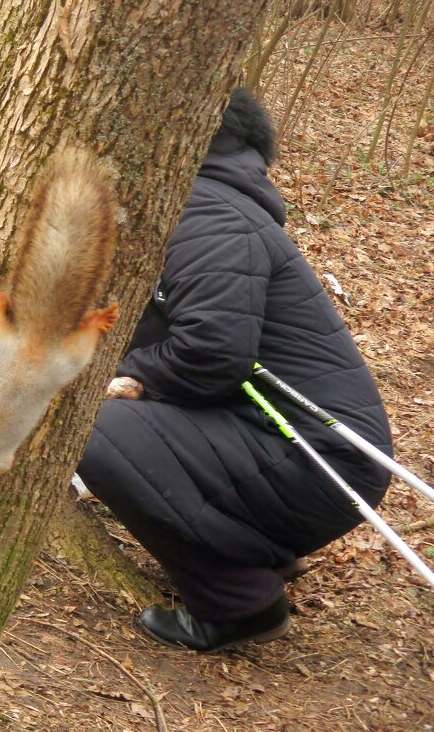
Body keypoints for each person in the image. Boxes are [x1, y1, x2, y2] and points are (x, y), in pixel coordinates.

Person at [76, 88, 393, 653]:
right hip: (310, 460)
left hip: (319, 462)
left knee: (92, 427)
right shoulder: (215, 204)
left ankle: (238, 602)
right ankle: (254, 546)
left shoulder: (207, 211)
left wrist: (121, 375)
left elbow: (211, 354)